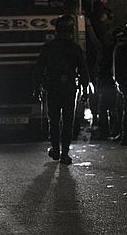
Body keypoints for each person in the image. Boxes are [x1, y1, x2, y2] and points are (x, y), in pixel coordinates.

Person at [34, 15, 89, 165]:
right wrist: (85, 89)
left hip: (53, 87)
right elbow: (83, 70)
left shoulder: (49, 47)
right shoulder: (75, 48)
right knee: (67, 121)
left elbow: (39, 69)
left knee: (54, 120)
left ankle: (56, 149)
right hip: (69, 88)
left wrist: (37, 87)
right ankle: (64, 153)